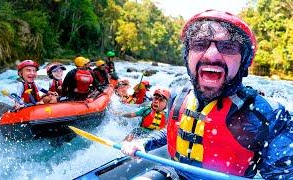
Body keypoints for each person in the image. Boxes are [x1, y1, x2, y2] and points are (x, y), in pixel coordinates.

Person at [121, 10, 293, 179]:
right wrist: (143, 142)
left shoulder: (266, 116)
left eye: (228, 46)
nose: (211, 55)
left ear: (245, 61)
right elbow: (172, 131)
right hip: (174, 173)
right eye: (199, 44)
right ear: (187, 56)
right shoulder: (180, 97)